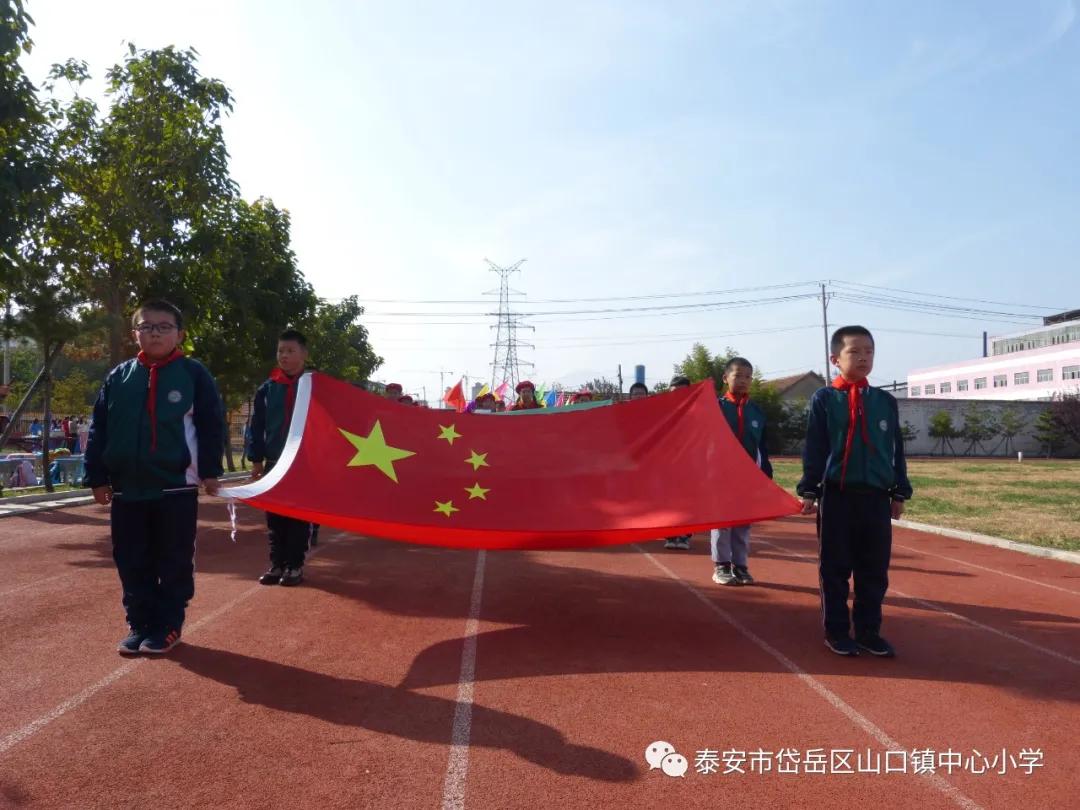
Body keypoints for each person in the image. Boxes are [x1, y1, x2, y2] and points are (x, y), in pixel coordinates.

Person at [83, 299, 224, 655]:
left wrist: (210, 471)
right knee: (131, 559)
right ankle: (140, 624)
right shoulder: (119, 376)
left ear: (180, 334)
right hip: (127, 488)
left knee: (173, 559)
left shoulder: (194, 374)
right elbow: (99, 428)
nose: (155, 333)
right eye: (147, 327)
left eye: (164, 327)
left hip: (175, 486)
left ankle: (168, 625)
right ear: (135, 334)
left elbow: (211, 426)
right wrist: (96, 476)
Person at [797, 325, 912, 658]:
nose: (863, 357)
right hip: (838, 496)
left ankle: (868, 631)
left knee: (873, 569)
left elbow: (896, 449)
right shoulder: (824, 399)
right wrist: (809, 489)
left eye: (869, 351)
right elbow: (815, 446)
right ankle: (836, 630)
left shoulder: (885, 402)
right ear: (835, 359)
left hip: (876, 498)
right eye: (855, 351)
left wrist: (899, 492)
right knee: (835, 568)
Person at [248, 328, 316, 587]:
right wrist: (256, 459)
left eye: (290, 351)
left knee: (298, 517)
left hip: (304, 464)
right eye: (280, 351)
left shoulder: (315, 386)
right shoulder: (267, 389)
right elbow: (257, 426)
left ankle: (294, 566)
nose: (284, 356)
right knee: (275, 517)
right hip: (275, 462)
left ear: (304, 354)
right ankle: (276, 564)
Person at [710, 357, 772, 586]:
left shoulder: (756, 411)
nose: (743, 380)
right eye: (738, 376)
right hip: (721, 474)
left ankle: (740, 565)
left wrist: (766, 474)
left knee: (743, 522)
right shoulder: (715, 407)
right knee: (722, 521)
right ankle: (721, 565)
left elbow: (762, 447)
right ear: (725, 378)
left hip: (748, 477)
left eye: (748, 377)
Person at [663, 375, 694, 550]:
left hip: (689, 464)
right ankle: (670, 534)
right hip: (667, 464)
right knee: (668, 500)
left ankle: (684, 536)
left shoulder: (697, 412)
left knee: (687, 501)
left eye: (682, 392)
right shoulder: (663, 413)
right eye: (674, 392)